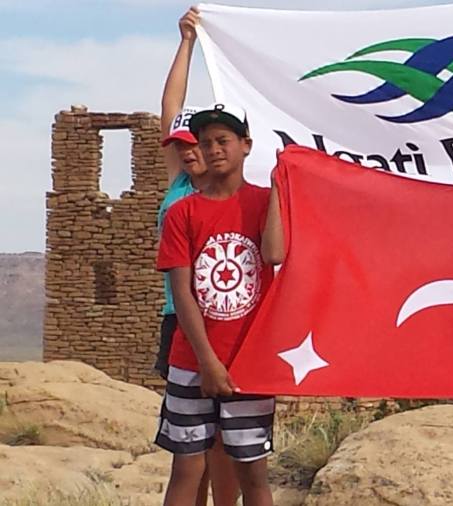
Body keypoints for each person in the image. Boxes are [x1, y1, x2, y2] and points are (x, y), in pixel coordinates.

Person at [156, 102, 276, 506]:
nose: (213, 150)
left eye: (223, 140)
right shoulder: (183, 212)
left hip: (250, 361)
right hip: (192, 360)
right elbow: (183, 290)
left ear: (246, 145)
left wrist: (282, 187)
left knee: (253, 473)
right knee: (186, 469)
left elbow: (274, 253)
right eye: (205, 143)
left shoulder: (263, 203)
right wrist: (207, 361)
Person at [156, 7, 240, 506]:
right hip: (178, 316)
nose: (186, 151)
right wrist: (186, 43)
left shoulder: (226, 190)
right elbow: (170, 107)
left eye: (196, 145)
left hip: (225, 317)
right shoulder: (180, 183)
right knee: (190, 448)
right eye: (180, 145)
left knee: (220, 446)